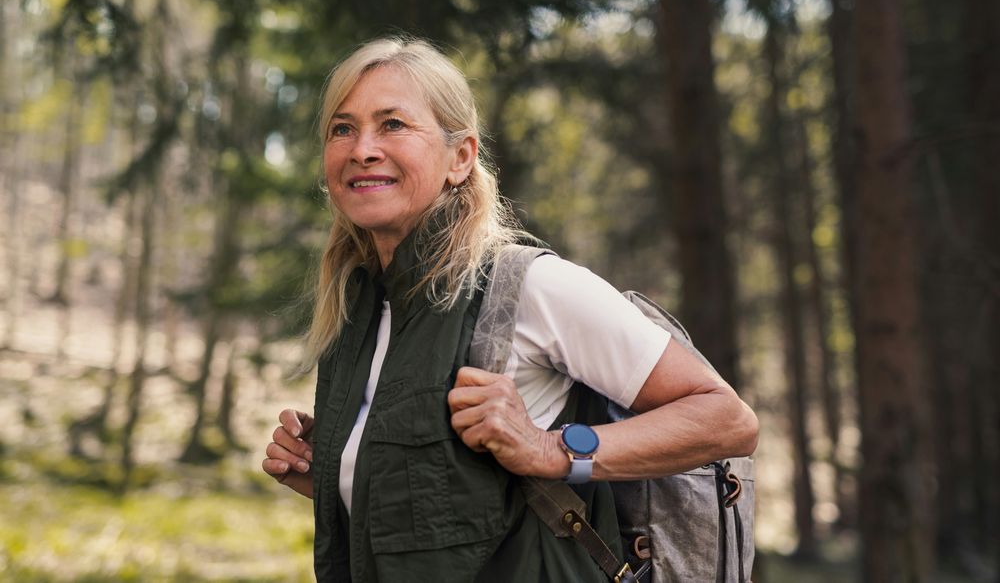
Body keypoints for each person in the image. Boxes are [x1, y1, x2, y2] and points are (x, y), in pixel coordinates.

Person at [261, 36, 759, 582]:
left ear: (460, 157)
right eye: (343, 128)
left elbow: (726, 419)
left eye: (393, 124)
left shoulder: (527, 287)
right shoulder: (357, 312)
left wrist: (553, 449)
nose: (362, 148)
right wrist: (334, 469)